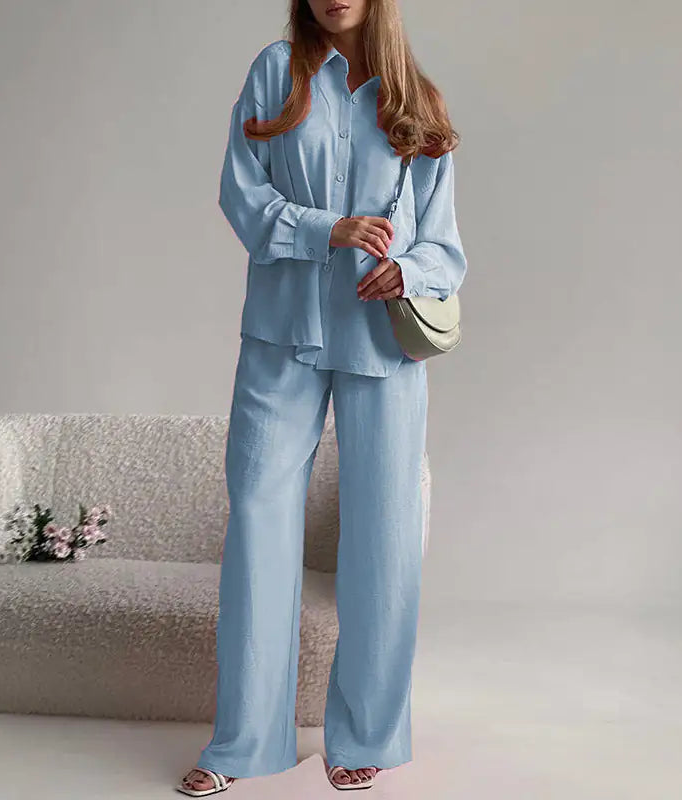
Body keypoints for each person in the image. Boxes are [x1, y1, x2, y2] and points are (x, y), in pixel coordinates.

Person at [177, 0, 467, 794]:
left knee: (383, 537)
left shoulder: (417, 97)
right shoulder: (276, 74)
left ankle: (366, 735)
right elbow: (242, 195)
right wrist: (324, 228)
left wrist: (408, 271)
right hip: (283, 332)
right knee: (259, 525)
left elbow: (445, 248)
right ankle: (243, 744)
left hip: (382, 342)